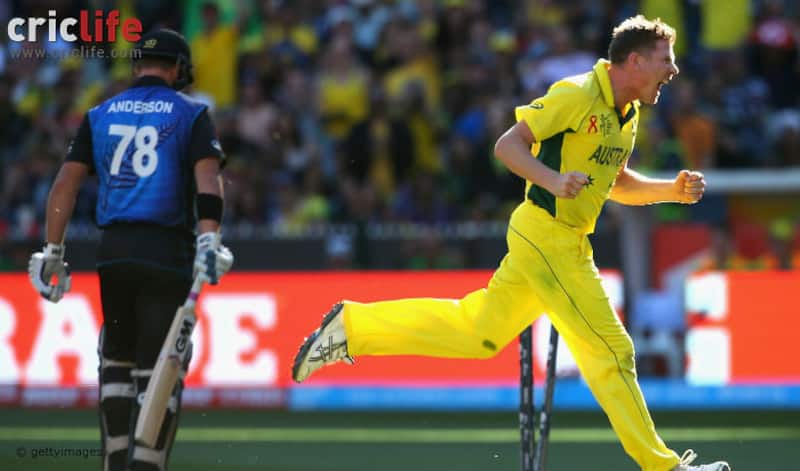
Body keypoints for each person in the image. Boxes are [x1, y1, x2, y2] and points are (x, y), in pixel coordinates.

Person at [293, 15, 729, 471]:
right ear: (635, 60)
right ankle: (664, 466)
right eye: (666, 61)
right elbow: (507, 146)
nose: (673, 70)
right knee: (611, 350)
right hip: (547, 234)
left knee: (478, 333)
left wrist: (668, 190)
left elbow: (614, 181)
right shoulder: (578, 93)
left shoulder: (628, 112)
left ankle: (351, 328)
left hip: (561, 241)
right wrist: (555, 180)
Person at [27, 29, 233, 471]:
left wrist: (52, 250)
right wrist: (210, 236)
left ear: (136, 66)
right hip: (165, 253)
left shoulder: (99, 113)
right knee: (162, 366)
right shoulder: (192, 113)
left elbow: (65, 183)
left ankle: (114, 458)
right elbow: (207, 182)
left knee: (116, 356)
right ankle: (146, 463)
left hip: (114, 253)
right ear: (178, 67)